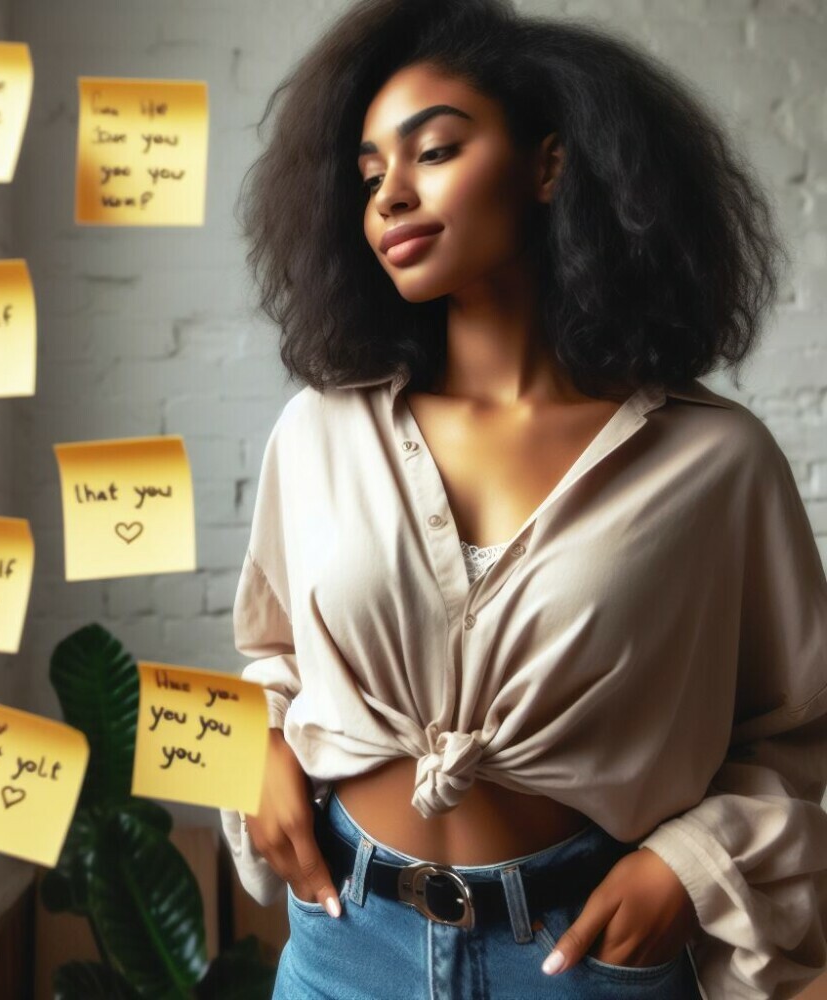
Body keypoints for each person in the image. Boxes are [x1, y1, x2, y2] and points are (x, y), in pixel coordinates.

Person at [218, 0, 827, 997]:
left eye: (435, 151)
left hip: (583, 955)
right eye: (369, 175)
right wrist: (252, 750)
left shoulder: (715, 462)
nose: (390, 196)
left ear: (550, 165)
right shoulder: (320, 433)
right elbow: (274, 656)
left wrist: (690, 865)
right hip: (344, 941)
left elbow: (790, 730)